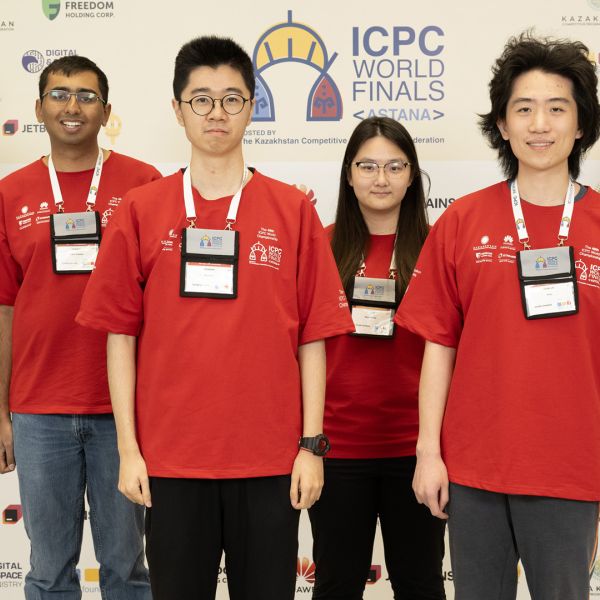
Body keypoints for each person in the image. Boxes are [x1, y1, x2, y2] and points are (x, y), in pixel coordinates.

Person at [75, 36, 354, 600]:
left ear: (252, 107)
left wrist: (311, 445)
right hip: (172, 461)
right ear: (177, 110)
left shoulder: (292, 210)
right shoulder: (141, 209)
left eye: (232, 98)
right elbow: (120, 336)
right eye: (200, 99)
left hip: (271, 459)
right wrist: (129, 450)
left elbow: (314, 339)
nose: (217, 113)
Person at [395, 32, 600, 600]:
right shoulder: (462, 221)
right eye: (524, 108)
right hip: (474, 471)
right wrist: (429, 453)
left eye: (557, 109)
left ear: (580, 125)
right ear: (503, 126)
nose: (540, 124)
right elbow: (439, 345)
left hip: (571, 469)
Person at [0, 55, 160, 599]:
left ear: (107, 110)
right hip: (38, 408)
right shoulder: (11, 192)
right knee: (47, 570)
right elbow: (4, 307)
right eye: (60, 93)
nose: (73, 106)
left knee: (127, 567)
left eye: (87, 96)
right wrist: (2, 412)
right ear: (39, 108)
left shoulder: (143, 184)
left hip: (123, 412)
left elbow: (162, 305)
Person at [308, 116, 446, 600]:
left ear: (412, 175)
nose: (380, 178)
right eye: (367, 166)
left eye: (394, 166)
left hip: (417, 451)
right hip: (338, 449)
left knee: (422, 584)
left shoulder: (438, 247)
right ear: (348, 174)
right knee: (336, 585)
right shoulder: (320, 246)